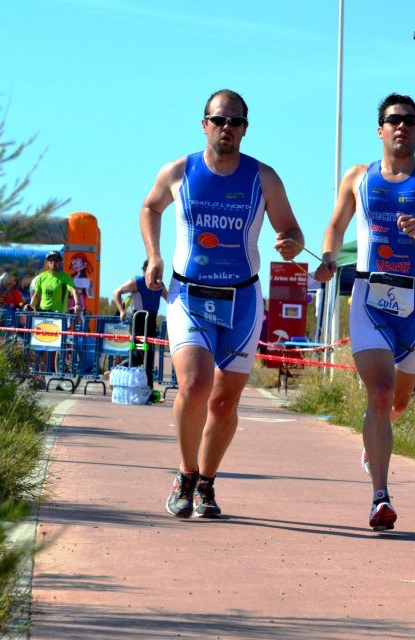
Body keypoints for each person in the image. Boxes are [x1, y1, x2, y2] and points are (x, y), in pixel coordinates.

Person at [140, 89, 304, 519]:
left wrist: (289, 243)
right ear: (204, 124)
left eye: (235, 122)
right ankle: (185, 474)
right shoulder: (180, 171)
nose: (226, 128)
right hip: (189, 293)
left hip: (243, 299)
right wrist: (155, 255)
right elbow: (150, 207)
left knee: (224, 402)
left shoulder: (263, 178)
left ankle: (207, 484)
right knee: (194, 385)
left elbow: (292, 230)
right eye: (218, 120)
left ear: (245, 128)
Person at [314, 93, 415, 530]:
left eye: (409, 120)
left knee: (398, 401)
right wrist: (329, 258)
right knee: (380, 394)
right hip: (368, 295)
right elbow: (335, 226)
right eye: (392, 120)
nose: (401, 126)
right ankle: (379, 497)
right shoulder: (357, 177)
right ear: (379, 129)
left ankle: (374, 443)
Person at [112, 260, 169, 388]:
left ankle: (149, 390)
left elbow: (170, 299)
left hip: (151, 322)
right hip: (138, 321)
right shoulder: (137, 281)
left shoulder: (159, 285)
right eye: (153, 272)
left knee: (149, 358)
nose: (156, 275)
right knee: (137, 356)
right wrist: (122, 311)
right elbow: (116, 292)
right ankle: (114, 372)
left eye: (157, 272)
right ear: (145, 270)